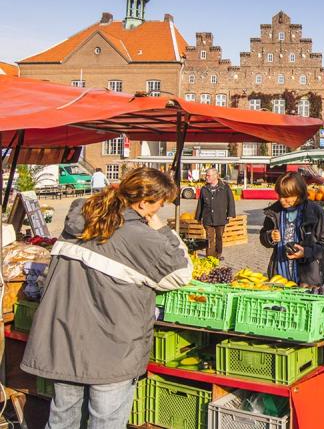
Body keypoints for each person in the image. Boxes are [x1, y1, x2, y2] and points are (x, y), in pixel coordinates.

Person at [21, 167, 192, 428]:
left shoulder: (82, 215)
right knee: (106, 420)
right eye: (158, 205)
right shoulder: (140, 235)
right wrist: (161, 229)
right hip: (113, 346)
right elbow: (180, 274)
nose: (157, 211)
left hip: (64, 339)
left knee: (62, 417)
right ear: (144, 201)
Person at [260, 172, 324, 285]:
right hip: (280, 277)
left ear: (299, 194)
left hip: (307, 279)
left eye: (286, 196)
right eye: (280, 195)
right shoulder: (274, 211)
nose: (281, 200)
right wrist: (270, 236)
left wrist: (306, 252)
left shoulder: (315, 212)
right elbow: (263, 236)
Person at [194, 168, 236, 259]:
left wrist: (230, 213)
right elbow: (200, 203)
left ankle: (218, 254)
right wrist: (198, 217)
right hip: (208, 218)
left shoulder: (225, 187)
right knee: (209, 238)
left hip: (221, 217)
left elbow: (231, 201)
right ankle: (210, 257)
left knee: (219, 237)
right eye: (206, 175)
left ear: (215, 176)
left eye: (208, 175)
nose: (206, 177)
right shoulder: (204, 188)